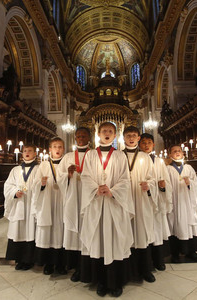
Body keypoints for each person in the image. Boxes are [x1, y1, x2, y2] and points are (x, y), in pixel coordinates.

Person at [80, 122, 134, 297]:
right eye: (104, 131)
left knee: (115, 240)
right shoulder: (90, 155)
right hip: (96, 203)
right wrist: (96, 188)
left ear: (115, 134)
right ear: (98, 133)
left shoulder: (119, 155)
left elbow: (125, 179)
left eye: (111, 131)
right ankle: (101, 281)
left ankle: (116, 281)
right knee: (99, 241)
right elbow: (85, 176)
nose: (107, 134)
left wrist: (113, 191)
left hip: (113, 203)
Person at [123, 127, 157, 283]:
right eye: (128, 135)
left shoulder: (145, 157)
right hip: (123, 200)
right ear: (123, 138)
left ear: (138, 139)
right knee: (124, 233)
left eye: (134, 136)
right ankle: (126, 271)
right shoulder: (118, 156)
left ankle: (145, 270)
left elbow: (153, 178)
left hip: (140, 199)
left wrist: (148, 185)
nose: (131, 138)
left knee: (141, 232)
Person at [56, 127, 91, 282]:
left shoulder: (94, 155)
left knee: (89, 231)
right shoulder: (69, 156)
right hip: (73, 198)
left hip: (90, 199)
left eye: (84, 136)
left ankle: (89, 266)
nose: (81, 138)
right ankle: (77, 268)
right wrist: (68, 175)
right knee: (75, 233)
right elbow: (59, 177)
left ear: (90, 137)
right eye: (78, 136)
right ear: (75, 138)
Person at [31, 137, 66, 275]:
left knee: (61, 230)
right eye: (55, 147)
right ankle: (48, 263)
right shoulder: (44, 165)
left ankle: (61, 264)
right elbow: (35, 184)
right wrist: (42, 183)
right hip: (47, 201)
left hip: (62, 201)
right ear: (50, 149)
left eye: (60, 147)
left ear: (63, 149)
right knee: (48, 232)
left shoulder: (67, 163)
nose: (57, 149)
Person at [139, 133, 172, 271]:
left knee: (157, 230)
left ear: (153, 144)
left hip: (156, 201)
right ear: (139, 144)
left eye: (149, 143)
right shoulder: (136, 160)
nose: (146, 145)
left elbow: (167, 181)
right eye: (143, 143)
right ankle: (145, 262)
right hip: (142, 199)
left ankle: (158, 260)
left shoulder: (159, 162)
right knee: (143, 231)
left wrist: (164, 187)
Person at [4, 144, 39, 270]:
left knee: (31, 230)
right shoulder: (16, 170)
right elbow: (8, 185)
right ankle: (19, 259)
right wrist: (14, 192)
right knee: (18, 230)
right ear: (22, 154)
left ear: (35, 153)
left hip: (32, 204)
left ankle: (29, 260)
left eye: (30, 151)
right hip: (19, 203)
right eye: (25, 151)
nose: (27, 153)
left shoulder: (39, 169)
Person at [167, 145, 197, 263]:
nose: (177, 153)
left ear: (183, 153)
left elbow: (196, 184)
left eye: (179, 151)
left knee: (189, 226)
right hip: (175, 203)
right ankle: (175, 253)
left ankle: (191, 251)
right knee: (174, 226)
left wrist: (189, 183)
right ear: (170, 155)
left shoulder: (189, 168)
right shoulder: (168, 169)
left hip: (187, 203)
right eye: (174, 151)